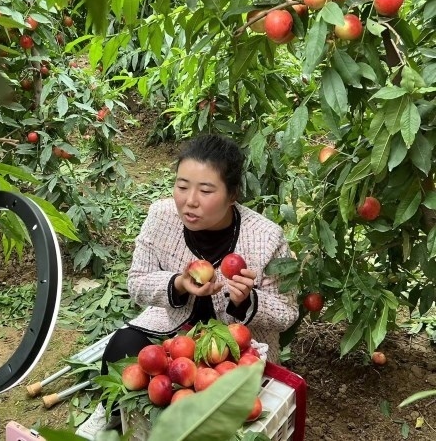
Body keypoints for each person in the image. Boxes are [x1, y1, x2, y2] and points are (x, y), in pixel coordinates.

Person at [75, 133, 299, 440]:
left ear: (232, 195)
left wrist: (248, 301)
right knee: (121, 347)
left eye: (205, 190)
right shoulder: (161, 217)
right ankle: (111, 410)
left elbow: (287, 312)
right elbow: (137, 282)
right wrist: (178, 284)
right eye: (182, 186)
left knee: (221, 398)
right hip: (173, 331)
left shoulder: (266, 237)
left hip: (236, 346)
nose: (189, 201)